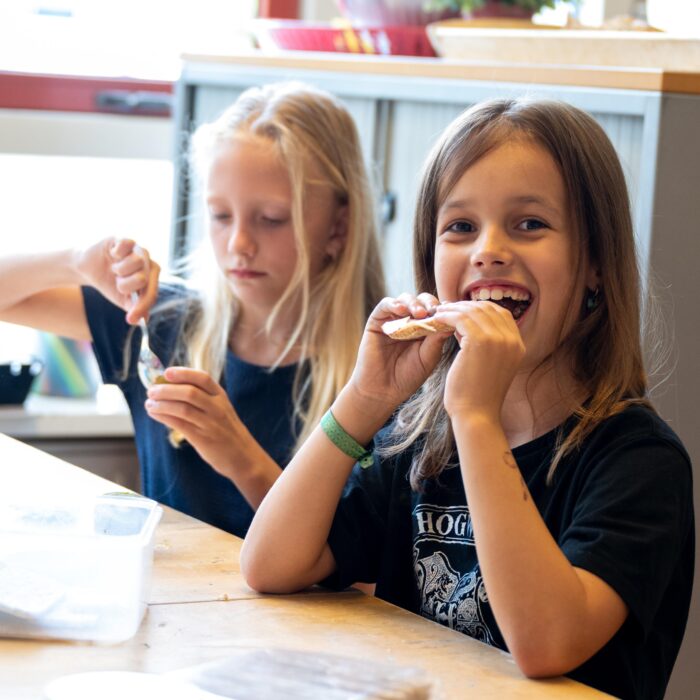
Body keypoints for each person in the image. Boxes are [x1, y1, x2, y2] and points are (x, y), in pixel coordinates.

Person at [240, 97, 694, 699]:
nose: (488, 250)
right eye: (459, 227)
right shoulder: (417, 438)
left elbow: (546, 644)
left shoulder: (638, 461)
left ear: (595, 267)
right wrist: (364, 398)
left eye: (530, 224)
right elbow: (270, 564)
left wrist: (477, 417)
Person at [0, 81, 385, 538]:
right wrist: (76, 262)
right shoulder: (159, 324)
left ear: (338, 226)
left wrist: (243, 460)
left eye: (271, 219)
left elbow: (356, 572)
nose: (239, 244)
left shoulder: (381, 372)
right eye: (220, 216)